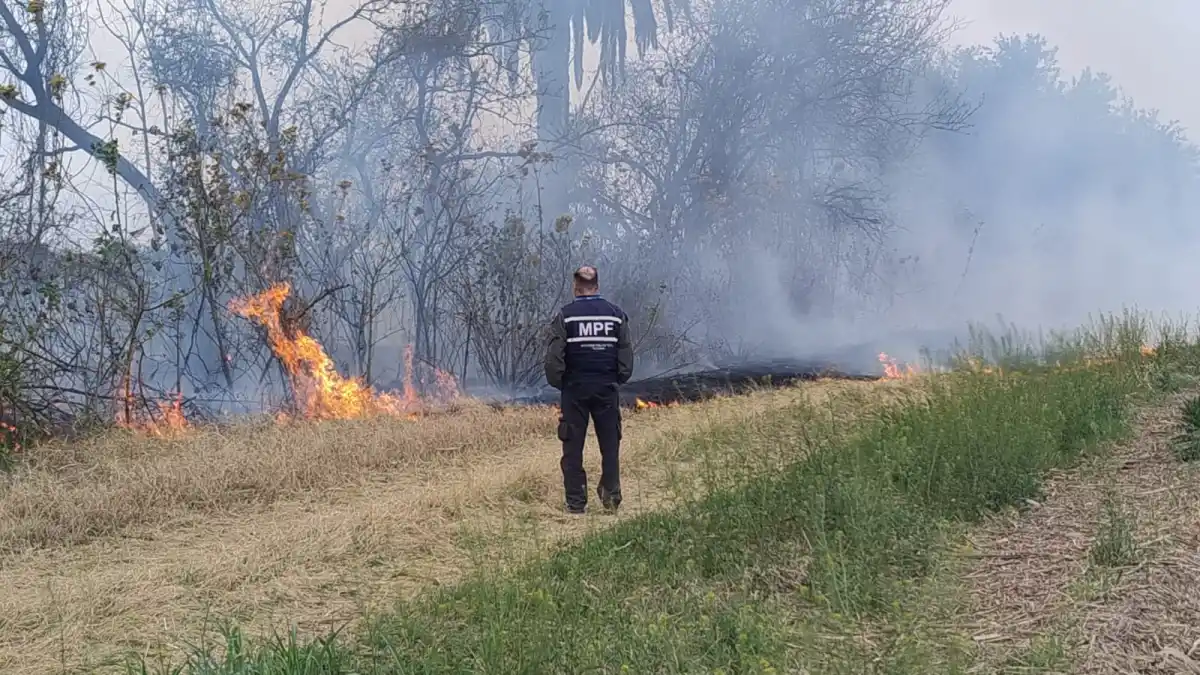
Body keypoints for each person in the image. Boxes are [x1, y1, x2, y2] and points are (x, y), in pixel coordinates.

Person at [544, 265, 634, 514]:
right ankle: (611, 498)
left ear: (575, 287)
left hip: (575, 390)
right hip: (607, 389)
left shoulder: (565, 316)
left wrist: (561, 383)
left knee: (572, 448)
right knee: (610, 446)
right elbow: (626, 358)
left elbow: (553, 359)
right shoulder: (616, 315)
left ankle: (576, 502)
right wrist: (616, 379)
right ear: (597, 286)